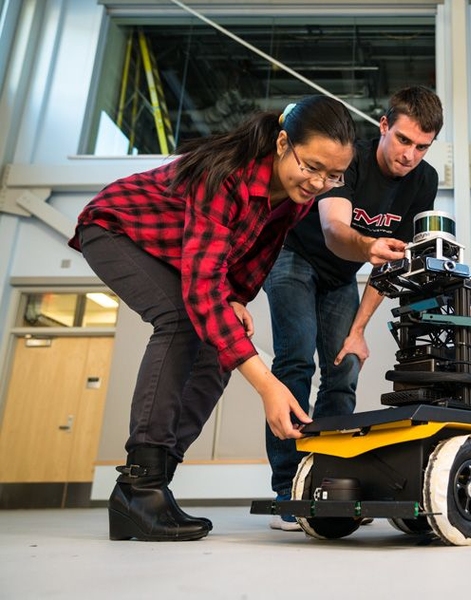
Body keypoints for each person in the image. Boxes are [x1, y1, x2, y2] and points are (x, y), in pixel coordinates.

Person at [67, 96, 356, 541]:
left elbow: (258, 252)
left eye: (333, 176)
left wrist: (237, 298)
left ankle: (149, 485)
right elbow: (201, 290)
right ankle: (140, 485)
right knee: (183, 321)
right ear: (283, 143)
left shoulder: (295, 199)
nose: (319, 182)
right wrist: (267, 385)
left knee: (219, 348)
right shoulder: (226, 175)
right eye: (312, 166)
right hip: (116, 229)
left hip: (178, 256)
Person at [263, 86, 444, 529]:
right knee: (296, 362)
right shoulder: (349, 159)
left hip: (341, 278)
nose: (410, 156)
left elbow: (392, 262)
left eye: (422, 147)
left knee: (344, 369)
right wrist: (370, 245)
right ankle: (289, 490)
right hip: (295, 257)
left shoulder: (425, 181)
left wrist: (359, 329)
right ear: (384, 126)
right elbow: (333, 230)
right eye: (403, 140)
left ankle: (327, 482)